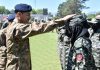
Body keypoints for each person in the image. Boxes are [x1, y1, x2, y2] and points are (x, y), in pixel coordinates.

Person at [5, 3, 75, 70]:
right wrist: (62, 20)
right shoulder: (18, 28)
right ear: (19, 14)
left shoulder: (16, 26)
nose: (29, 17)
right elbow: (40, 27)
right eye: (27, 15)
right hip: (17, 67)